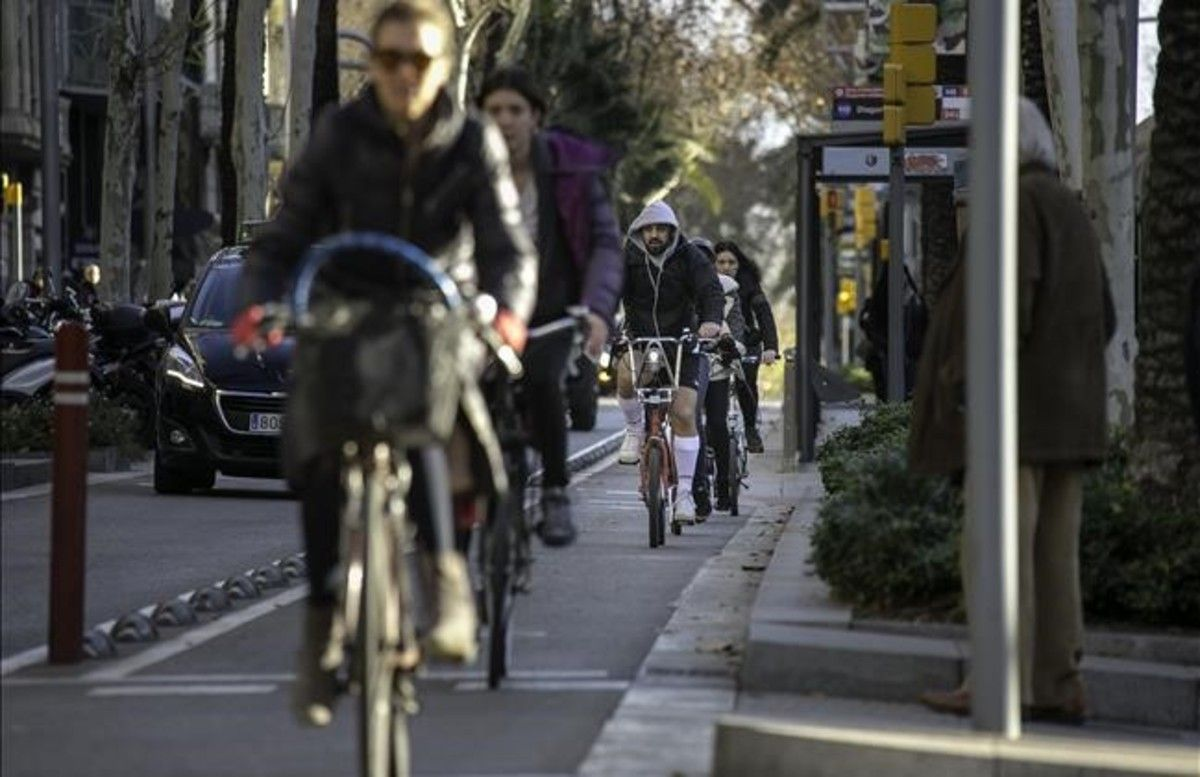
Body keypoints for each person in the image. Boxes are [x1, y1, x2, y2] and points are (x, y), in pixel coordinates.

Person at [233, 0, 537, 726]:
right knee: (313, 434)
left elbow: (506, 246)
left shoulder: (471, 142)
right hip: (345, 301)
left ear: (444, 66)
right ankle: (321, 627)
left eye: (420, 60)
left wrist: (506, 310)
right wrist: (258, 299)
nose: (405, 74)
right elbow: (285, 232)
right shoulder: (340, 134)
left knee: (424, 397)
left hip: (437, 305)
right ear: (373, 65)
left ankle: (446, 583)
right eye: (390, 59)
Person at [911, 98, 1114, 723]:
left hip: (1013, 418)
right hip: (1066, 418)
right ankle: (1057, 682)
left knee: (996, 544)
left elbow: (1006, 302)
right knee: (1054, 552)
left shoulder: (1015, 204)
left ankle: (996, 681)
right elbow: (1103, 317)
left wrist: (970, 387)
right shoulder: (1067, 206)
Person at [477, 66, 623, 547]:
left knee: (542, 381)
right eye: (494, 110)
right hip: (481, 313)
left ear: (536, 117)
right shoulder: (465, 168)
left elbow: (604, 243)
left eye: (515, 110)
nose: (505, 121)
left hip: (551, 313)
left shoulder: (569, 172)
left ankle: (556, 491)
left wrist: (597, 309)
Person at [617, 201, 723, 523]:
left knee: (684, 413)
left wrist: (711, 322)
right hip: (645, 342)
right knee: (623, 375)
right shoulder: (630, 257)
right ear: (640, 232)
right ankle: (635, 430)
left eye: (661, 229)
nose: (654, 235)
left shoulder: (690, 256)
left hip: (683, 343)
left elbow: (711, 292)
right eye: (648, 229)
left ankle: (686, 496)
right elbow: (610, 291)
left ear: (672, 231)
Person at [693, 238, 747, 513]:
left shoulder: (727, 289)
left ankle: (724, 486)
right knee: (691, 426)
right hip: (686, 364)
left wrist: (732, 344)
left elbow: (737, 326)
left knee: (716, 423)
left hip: (715, 367)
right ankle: (695, 485)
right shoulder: (677, 286)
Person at [712, 241, 777, 453]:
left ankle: (750, 429)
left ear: (739, 265)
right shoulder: (706, 283)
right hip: (714, 344)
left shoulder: (748, 284)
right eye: (721, 262)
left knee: (745, 382)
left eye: (731, 262)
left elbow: (764, 314)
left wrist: (770, 347)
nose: (726, 266)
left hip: (747, 343)